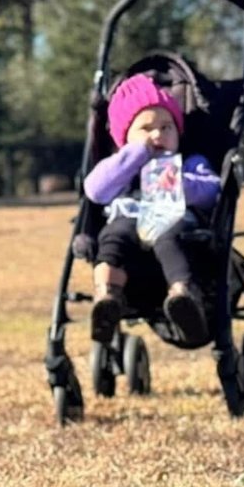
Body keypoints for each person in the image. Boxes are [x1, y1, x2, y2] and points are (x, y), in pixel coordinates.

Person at [82, 73, 221, 347]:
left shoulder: (190, 162)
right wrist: (134, 155)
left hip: (172, 221)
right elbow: (95, 191)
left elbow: (212, 190)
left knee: (169, 236)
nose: (158, 134)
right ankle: (107, 297)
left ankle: (184, 297)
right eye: (146, 129)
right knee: (113, 237)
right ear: (125, 138)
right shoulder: (120, 168)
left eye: (167, 127)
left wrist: (180, 183)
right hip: (129, 224)